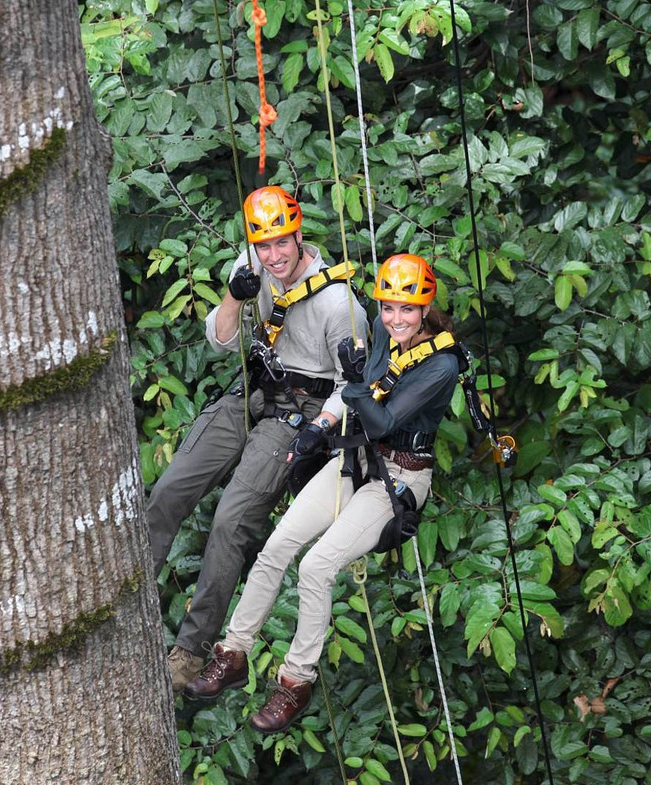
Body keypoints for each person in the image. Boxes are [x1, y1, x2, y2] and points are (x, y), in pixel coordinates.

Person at [183, 254, 462, 734]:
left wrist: (353, 386)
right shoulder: (377, 325)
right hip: (356, 459)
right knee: (275, 549)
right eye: (389, 307)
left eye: (408, 310)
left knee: (317, 566)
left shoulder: (442, 364)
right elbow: (366, 388)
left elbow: (385, 418)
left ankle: (296, 680)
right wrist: (320, 427)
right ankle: (232, 653)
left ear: (426, 308)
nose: (395, 319)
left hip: (398, 478)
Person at [147, 185, 368, 692]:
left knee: (230, 521)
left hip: (301, 409)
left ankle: (190, 651)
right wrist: (234, 293)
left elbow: (351, 386)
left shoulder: (338, 302)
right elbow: (222, 340)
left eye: (281, 244)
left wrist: (320, 428)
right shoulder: (253, 267)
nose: (273, 256)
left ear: (298, 235)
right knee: (169, 490)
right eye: (264, 246)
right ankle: (130, 593)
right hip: (251, 390)